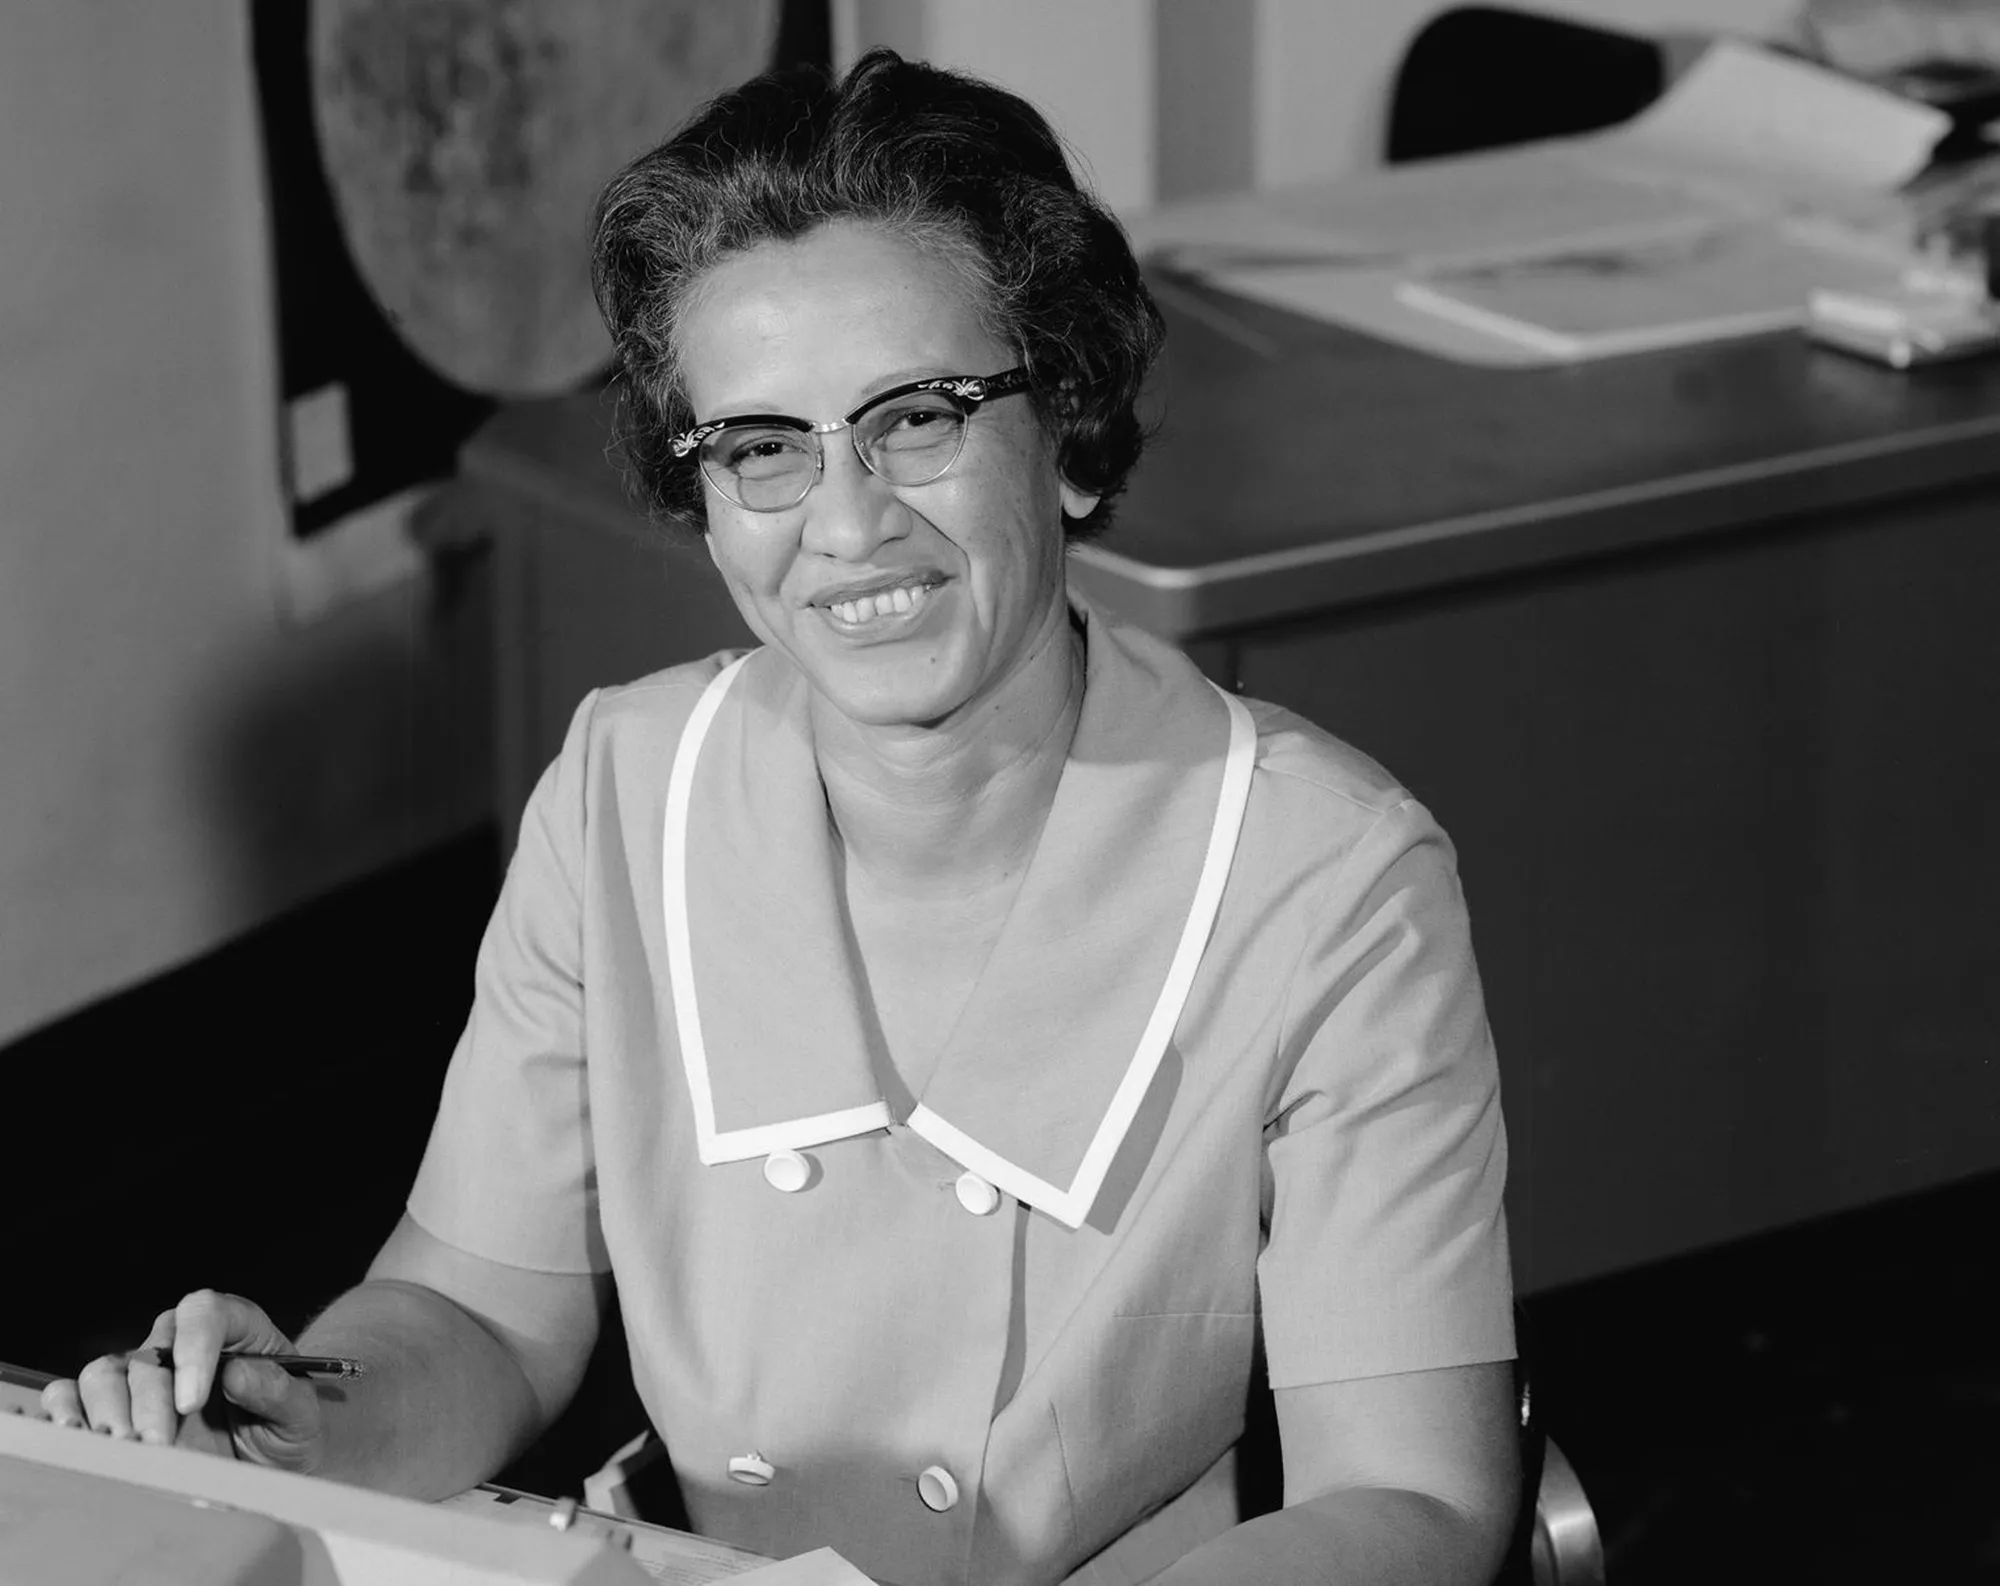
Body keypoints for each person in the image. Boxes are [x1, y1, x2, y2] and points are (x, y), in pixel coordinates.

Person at [46, 49, 1519, 1586]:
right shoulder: (623, 786)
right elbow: (479, 1312)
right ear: (701, 502)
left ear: (1068, 430)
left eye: (919, 418)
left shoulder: (1330, 874)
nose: (848, 518)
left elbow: (1410, 1500)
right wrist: (285, 1424)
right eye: (762, 446)